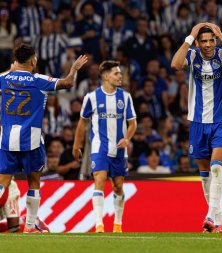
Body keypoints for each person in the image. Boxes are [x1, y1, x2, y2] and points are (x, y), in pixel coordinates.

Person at [0, 43, 87, 233]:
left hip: (6, 139)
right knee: (33, 181)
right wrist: (74, 69)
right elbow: (68, 83)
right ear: (33, 61)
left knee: (3, 182)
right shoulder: (38, 80)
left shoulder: (4, 78)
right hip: (31, 139)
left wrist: (11, 70)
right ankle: (30, 227)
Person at [171, 22, 222, 233]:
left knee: (216, 166)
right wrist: (189, 37)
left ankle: (210, 216)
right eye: (203, 41)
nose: (208, 44)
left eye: (211, 40)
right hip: (197, 122)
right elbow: (175, 65)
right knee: (205, 173)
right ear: (197, 42)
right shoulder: (192, 56)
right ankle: (219, 222)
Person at [73, 61, 137, 233]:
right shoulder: (91, 97)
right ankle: (99, 224)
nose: (120, 76)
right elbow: (81, 123)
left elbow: (132, 123)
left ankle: (117, 223)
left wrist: (127, 138)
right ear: (106, 76)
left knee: (118, 186)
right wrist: (76, 145)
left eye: (120, 73)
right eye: (117, 73)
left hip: (119, 148)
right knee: (99, 180)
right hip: (99, 147)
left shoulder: (125, 97)